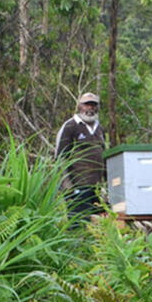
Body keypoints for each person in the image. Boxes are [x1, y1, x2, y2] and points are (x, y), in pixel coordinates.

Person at [54, 92, 106, 220]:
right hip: (77, 187)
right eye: (87, 104)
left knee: (97, 227)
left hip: (97, 189)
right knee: (77, 225)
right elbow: (60, 158)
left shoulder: (100, 129)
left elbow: (104, 156)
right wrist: (68, 187)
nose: (90, 108)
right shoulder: (70, 126)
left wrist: (108, 186)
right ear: (79, 106)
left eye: (94, 105)